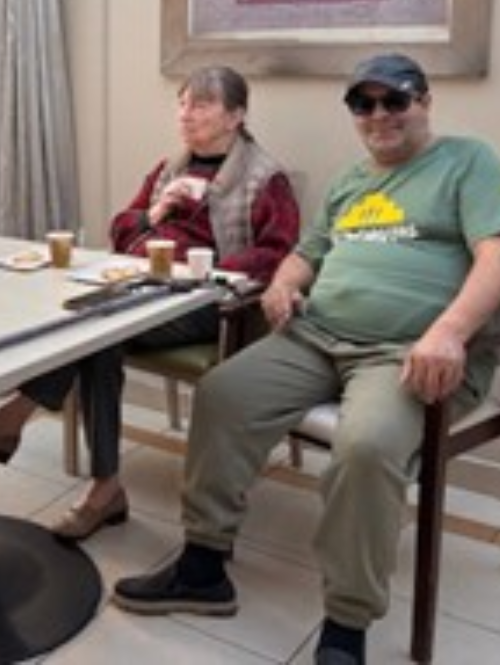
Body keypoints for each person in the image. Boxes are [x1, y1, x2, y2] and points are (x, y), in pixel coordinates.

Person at [111, 53, 500, 665]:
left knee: (366, 447)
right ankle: (203, 566)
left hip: (406, 354)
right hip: (317, 336)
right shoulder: (351, 181)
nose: (378, 115)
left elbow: (495, 254)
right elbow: (304, 253)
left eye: (394, 100)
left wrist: (450, 330)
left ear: (424, 102)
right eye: (364, 104)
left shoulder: (468, 161)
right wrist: (284, 284)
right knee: (223, 393)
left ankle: (346, 624)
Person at [0, 65, 300, 541]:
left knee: (98, 331)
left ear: (235, 116)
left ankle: (17, 420)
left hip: (210, 304)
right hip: (141, 287)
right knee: (94, 333)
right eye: (182, 103)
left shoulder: (265, 177)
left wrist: (206, 268)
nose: (186, 114)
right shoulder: (170, 168)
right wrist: (156, 211)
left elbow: (277, 254)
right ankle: (102, 487)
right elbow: (121, 229)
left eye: (201, 104)